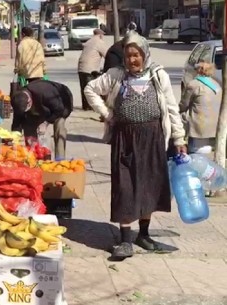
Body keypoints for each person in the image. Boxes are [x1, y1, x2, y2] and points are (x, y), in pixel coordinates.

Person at [84, 32, 186, 260]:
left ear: (144, 54)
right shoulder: (116, 75)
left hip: (152, 137)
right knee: (125, 185)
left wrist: (179, 139)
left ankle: (145, 234)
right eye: (128, 55)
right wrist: (107, 114)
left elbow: (171, 108)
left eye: (136, 55)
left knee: (150, 184)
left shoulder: (158, 75)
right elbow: (90, 89)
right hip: (125, 138)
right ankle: (125, 238)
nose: (132, 60)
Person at [11, 79, 73, 159]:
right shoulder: (17, 99)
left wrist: (46, 123)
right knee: (28, 126)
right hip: (41, 107)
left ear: (29, 102)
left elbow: (59, 110)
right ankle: (34, 156)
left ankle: (60, 158)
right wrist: (15, 138)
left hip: (62, 101)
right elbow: (17, 121)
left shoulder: (44, 92)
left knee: (59, 127)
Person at [179, 62, 221, 154]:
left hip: (200, 127)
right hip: (216, 125)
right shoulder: (216, 84)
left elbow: (183, 105)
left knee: (196, 151)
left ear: (199, 70)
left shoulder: (194, 84)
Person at [78, 29, 108, 110]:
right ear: (100, 35)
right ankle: (93, 107)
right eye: (103, 35)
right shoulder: (99, 42)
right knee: (92, 88)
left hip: (81, 68)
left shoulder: (88, 42)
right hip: (90, 69)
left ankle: (85, 107)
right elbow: (107, 55)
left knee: (84, 88)